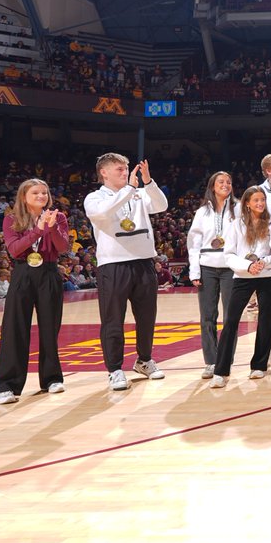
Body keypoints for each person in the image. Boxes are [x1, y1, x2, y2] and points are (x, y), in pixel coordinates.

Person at [83, 153, 167, 391]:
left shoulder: (139, 193)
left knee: (147, 316)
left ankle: (144, 359)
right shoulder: (94, 198)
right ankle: (115, 369)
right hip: (113, 264)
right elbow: (103, 214)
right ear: (104, 172)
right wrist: (129, 189)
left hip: (143, 262)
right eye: (119, 169)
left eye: (127, 168)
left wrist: (148, 184)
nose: (126, 172)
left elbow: (161, 205)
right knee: (113, 319)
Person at [0, 179, 69, 405]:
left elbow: (63, 248)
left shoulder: (59, 217)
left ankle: (51, 379)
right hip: (23, 273)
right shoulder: (12, 219)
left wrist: (52, 227)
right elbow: (15, 249)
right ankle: (7, 386)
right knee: (15, 329)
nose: (41, 196)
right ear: (23, 196)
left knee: (50, 328)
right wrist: (38, 230)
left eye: (44, 192)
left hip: (49, 273)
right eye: (35, 192)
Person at [209, 186, 271, 387]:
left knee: (266, 321)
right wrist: (248, 265)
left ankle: (259, 365)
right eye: (255, 200)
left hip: (267, 276)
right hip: (243, 276)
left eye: (262, 200)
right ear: (247, 203)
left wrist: (264, 263)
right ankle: (221, 370)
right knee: (231, 321)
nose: (260, 204)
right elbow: (229, 254)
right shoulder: (235, 225)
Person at [186, 171, 237, 378]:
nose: (225, 184)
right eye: (221, 182)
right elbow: (194, 244)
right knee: (207, 316)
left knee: (230, 317)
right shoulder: (202, 212)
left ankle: (225, 360)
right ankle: (210, 361)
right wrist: (194, 270)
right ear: (212, 186)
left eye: (228, 182)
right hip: (207, 267)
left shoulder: (239, 209)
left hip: (231, 267)